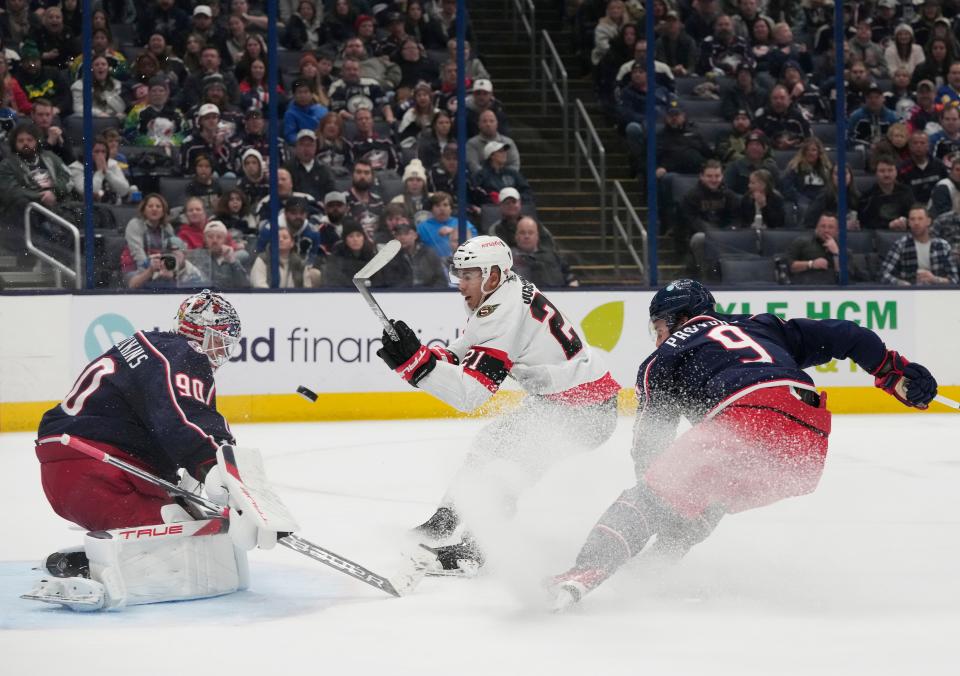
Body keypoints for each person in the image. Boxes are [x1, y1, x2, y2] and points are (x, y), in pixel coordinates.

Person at [547, 278, 938, 610]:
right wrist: (891, 370)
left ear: (681, 317)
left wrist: (651, 494)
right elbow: (848, 336)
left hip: (747, 414)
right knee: (710, 493)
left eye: (660, 325)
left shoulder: (662, 357)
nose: (659, 335)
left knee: (654, 495)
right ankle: (652, 570)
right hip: (805, 443)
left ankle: (584, 570)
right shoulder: (762, 324)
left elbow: (651, 440)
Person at [26, 290, 294, 611]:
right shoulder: (185, 355)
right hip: (96, 469)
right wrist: (217, 464)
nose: (221, 352)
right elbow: (185, 418)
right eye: (219, 340)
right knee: (187, 531)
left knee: (187, 512)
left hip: (71, 466)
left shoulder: (152, 346)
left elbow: (156, 422)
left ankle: (106, 554)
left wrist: (187, 481)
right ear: (199, 331)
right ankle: (102, 571)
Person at [377, 235, 621, 573]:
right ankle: (447, 519)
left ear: (492, 275)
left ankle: (475, 550)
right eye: (458, 274)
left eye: (468, 276)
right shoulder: (505, 289)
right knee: (492, 443)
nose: (461, 284)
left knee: (511, 467)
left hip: (583, 411)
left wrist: (416, 367)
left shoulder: (500, 311)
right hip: (571, 400)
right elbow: (472, 344)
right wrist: (428, 356)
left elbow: (471, 396)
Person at [880, 205, 959, 285]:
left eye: (920, 219)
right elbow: (884, 274)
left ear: (928, 221)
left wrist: (934, 279)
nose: (916, 223)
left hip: (937, 293)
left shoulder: (943, 246)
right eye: (912, 219)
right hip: (909, 293)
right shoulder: (900, 245)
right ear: (909, 223)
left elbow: (954, 279)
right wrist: (901, 284)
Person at [510, 216, 578, 287]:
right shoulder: (508, 257)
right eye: (522, 232)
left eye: (530, 232)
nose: (527, 236)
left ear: (537, 236)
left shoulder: (553, 256)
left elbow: (569, 276)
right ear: (516, 236)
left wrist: (572, 284)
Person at [381, 218, 448, 288]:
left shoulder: (429, 253)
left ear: (415, 235)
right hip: (402, 295)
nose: (402, 237)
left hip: (428, 294)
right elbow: (389, 283)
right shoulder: (390, 257)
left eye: (406, 233)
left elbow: (441, 280)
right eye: (398, 234)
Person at [860, 157, 916, 230]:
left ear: (896, 172)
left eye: (890, 170)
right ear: (876, 173)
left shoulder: (906, 191)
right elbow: (865, 222)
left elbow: (914, 213)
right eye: (882, 171)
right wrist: (888, 225)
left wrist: (906, 222)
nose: (886, 175)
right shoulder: (868, 196)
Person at [417, 191, 477, 258]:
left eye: (445, 205)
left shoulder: (463, 223)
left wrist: (453, 231)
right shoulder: (422, 227)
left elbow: (474, 243)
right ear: (431, 209)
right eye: (437, 205)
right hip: (433, 265)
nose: (442, 209)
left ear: (451, 209)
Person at [284, 129, 335, 201]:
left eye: (309, 145)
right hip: (295, 209)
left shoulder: (323, 169)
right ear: (296, 147)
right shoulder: (288, 168)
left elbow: (332, 192)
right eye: (302, 145)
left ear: (315, 147)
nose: (306, 149)